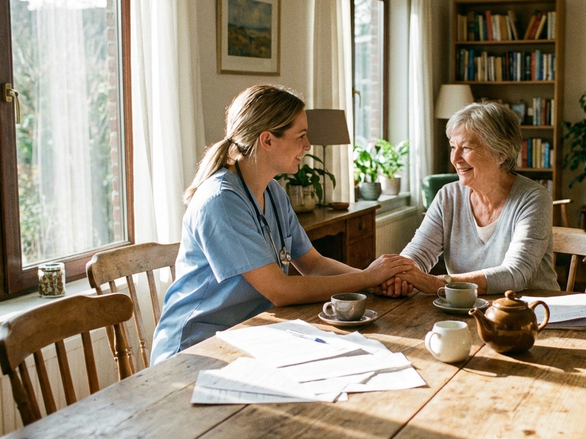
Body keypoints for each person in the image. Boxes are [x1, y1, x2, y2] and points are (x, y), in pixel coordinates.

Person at [152, 85, 413, 364]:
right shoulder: (220, 202)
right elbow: (280, 291)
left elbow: (312, 263)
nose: (308, 145)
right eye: (300, 136)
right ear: (267, 140)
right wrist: (367, 278)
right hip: (195, 349)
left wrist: (372, 283)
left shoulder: (273, 192)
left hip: (251, 336)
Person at [377, 101, 559, 296]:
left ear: (501, 154)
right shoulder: (448, 197)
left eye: (466, 148)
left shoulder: (533, 199)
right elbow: (419, 253)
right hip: (466, 309)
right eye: (453, 147)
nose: (455, 159)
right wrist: (400, 275)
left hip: (532, 314)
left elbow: (515, 274)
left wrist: (435, 283)